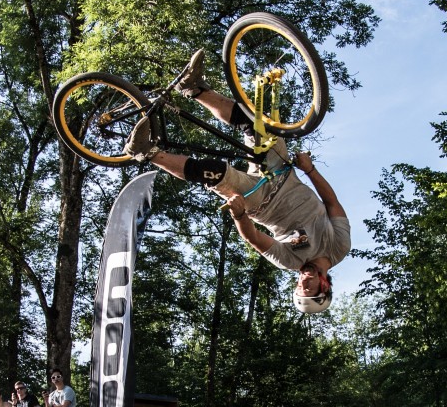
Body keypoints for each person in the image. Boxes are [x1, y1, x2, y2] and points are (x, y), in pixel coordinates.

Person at [124, 49, 350, 313]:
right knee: (256, 123)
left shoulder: (289, 261)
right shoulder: (339, 247)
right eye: (309, 287)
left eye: (300, 286)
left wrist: (240, 215)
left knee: (214, 172)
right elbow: (331, 203)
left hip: (259, 201)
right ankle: (193, 88)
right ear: (325, 286)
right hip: (283, 172)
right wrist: (310, 170)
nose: (304, 280)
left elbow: (254, 238)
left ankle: (146, 152)